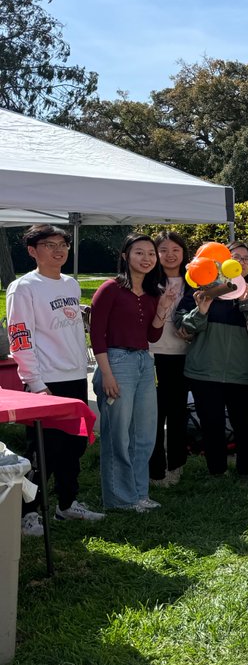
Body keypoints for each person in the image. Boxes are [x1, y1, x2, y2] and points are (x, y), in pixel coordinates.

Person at [6, 225, 104, 534]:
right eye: (50, 244)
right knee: (43, 451)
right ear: (33, 251)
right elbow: (20, 337)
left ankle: (66, 504)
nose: (59, 250)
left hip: (75, 375)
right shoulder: (24, 287)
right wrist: (35, 383)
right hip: (45, 381)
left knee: (73, 446)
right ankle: (27, 513)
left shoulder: (71, 284)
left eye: (63, 244)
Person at [90, 233, 173, 511]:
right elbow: (97, 334)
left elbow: (151, 335)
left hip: (143, 362)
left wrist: (162, 309)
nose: (147, 258)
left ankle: (139, 494)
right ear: (125, 256)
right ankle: (118, 499)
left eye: (151, 253)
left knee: (145, 434)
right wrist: (107, 374)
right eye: (139, 252)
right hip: (116, 360)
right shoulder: (110, 288)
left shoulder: (152, 293)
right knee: (118, 435)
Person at [176, 241, 248, 479]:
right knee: (211, 425)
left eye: (247, 258)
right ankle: (217, 472)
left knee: (245, 425)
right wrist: (201, 310)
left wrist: (246, 303)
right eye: (236, 257)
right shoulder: (204, 289)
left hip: (242, 372)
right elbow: (183, 327)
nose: (242, 262)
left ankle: (245, 472)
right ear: (223, 262)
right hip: (204, 372)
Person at [149, 231, 191, 487]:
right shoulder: (148, 283)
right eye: (163, 250)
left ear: (184, 253)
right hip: (153, 356)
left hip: (183, 357)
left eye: (175, 249)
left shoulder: (195, 282)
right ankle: (155, 469)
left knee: (178, 414)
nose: (169, 254)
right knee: (154, 415)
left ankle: (176, 465)